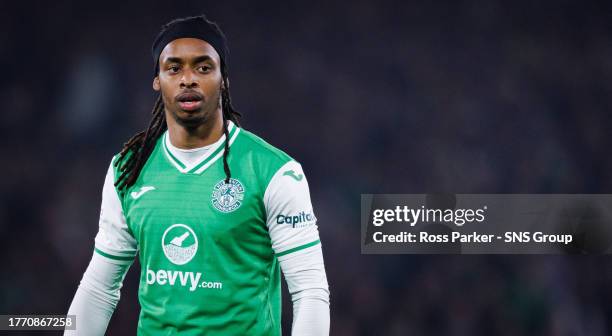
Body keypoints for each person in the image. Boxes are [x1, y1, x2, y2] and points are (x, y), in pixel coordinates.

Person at [66, 15, 330, 335]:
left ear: (224, 79)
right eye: (174, 68)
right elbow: (98, 288)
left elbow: (309, 292)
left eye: (203, 68)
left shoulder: (274, 172)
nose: (188, 78)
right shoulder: (128, 169)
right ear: (157, 80)